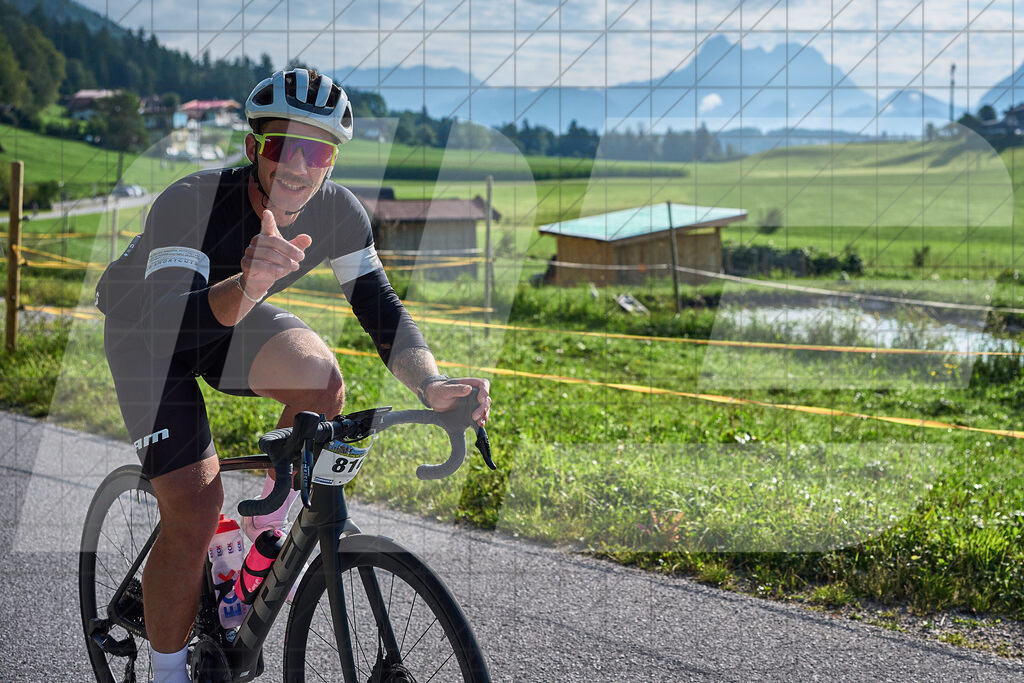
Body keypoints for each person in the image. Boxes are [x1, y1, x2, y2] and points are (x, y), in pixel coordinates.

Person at [95, 68, 490, 683]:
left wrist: (431, 384)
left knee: (322, 382)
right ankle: (169, 671)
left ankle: (255, 538)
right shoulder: (192, 201)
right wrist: (248, 284)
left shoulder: (339, 211)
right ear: (255, 148)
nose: (299, 167)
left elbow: (381, 309)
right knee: (196, 509)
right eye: (283, 146)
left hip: (233, 315)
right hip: (149, 332)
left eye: (320, 151)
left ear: (332, 161)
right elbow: (171, 327)